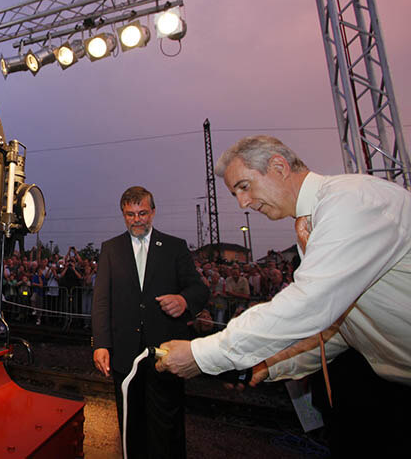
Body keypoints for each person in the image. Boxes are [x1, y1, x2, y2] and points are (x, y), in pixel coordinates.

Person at [155, 135, 411, 455]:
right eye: (236, 194)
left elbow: (309, 304)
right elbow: (340, 327)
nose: (243, 203)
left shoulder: (352, 202)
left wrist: (202, 353)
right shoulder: (314, 222)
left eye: (244, 186)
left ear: (278, 166)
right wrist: (272, 363)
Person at [92, 186, 208, 458]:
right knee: (131, 425)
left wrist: (183, 301)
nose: (137, 219)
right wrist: (101, 344)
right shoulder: (110, 249)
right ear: (123, 215)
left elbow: (199, 290)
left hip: (166, 355)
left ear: (153, 212)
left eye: (142, 212)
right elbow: (101, 301)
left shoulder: (175, 247)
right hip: (124, 355)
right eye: (130, 214)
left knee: (167, 427)